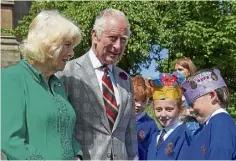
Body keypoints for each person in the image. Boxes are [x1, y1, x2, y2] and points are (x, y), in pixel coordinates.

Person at [56, 8, 137, 160]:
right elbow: (60, 126)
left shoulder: (125, 79)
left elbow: (130, 133)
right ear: (95, 36)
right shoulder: (67, 73)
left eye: (123, 39)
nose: (118, 46)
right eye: (112, 38)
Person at [1, 10, 83, 160]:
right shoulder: (12, 78)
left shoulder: (57, 84)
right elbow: (10, 141)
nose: (72, 53)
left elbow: (67, 133)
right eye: (67, 45)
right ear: (47, 43)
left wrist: (77, 156)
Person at [181, 69, 236, 160]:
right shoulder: (209, 126)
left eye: (192, 104)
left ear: (212, 96)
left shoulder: (221, 124)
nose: (190, 110)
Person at [147, 72, 192, 160]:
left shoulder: (184, 135)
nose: (163, 114)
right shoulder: (155, 136)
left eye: (169, 109)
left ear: (180, 109)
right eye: (158, 110)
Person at [132, 76, 159, 160]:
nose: (139, 104)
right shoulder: (120, 120)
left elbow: (153, 152)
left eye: (143, 101)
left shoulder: (151, 124)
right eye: (135, 100)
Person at [174, 57, 200, 135]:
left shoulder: (195, 89)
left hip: (192, 131)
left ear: (189, 72)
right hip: (177, 131)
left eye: (180, 69)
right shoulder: (173, 89)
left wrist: (186, 111)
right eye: (175, 70)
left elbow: (203, 111)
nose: (176, 73)